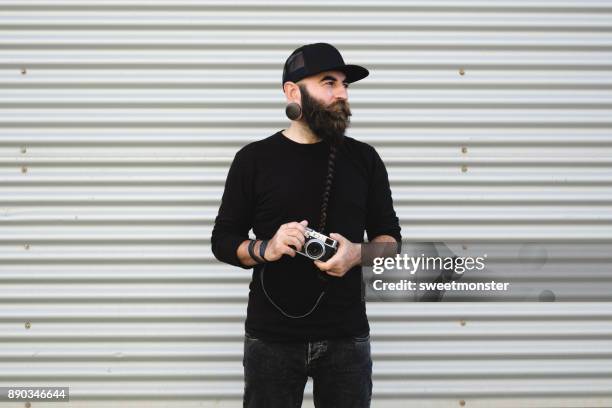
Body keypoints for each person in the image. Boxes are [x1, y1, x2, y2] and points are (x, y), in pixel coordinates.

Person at [211, 42, 401, 408]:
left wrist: (355, 254)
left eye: (345, 84)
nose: (342, 93)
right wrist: (266, 248)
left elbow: (391, 240)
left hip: (346, 337)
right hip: (271, 339)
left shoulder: (364, 159)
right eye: (329, 82)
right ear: (292, 91)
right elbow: (222, 240)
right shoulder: (253, 159)